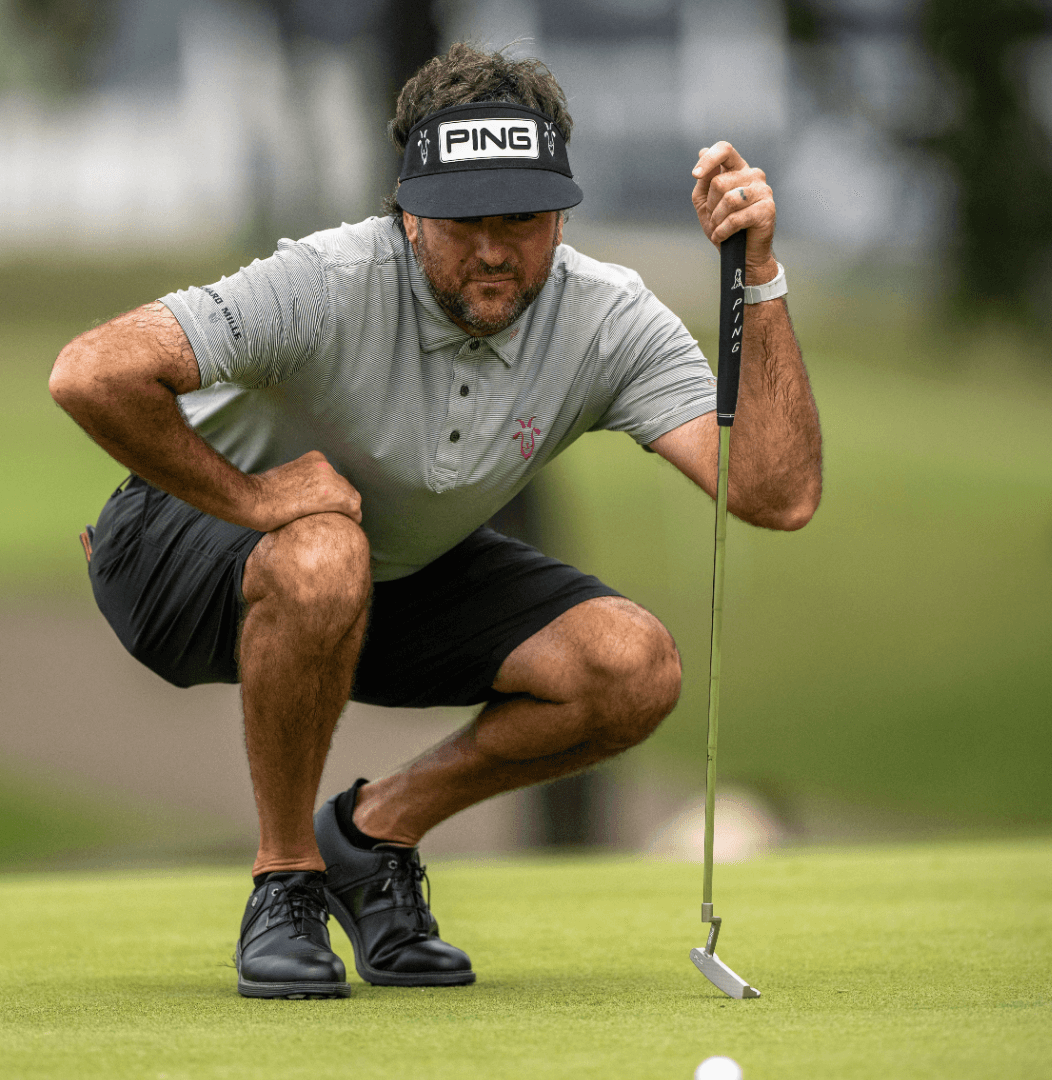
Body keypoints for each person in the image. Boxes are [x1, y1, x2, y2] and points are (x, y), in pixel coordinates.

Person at [47, 43, 821, 999]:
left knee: (631, 667)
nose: (493, 249)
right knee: (325, 550)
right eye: (463, 220)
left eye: (522, 219)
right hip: (170, 551)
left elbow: (775, 493)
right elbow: (91, 372)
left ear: (561, 213)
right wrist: (253, 499)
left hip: (383, 567)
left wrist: (759, 276)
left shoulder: (606, 317)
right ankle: (285, 880)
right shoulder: (325, 280)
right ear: (409, 212)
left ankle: (370, 837)